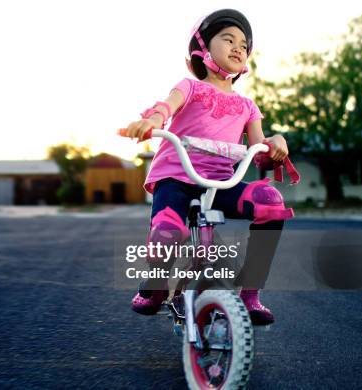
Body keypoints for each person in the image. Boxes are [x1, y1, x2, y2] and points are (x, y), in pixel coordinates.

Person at [122, 9, 295, 325]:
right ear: (202, 49)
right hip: (177, 177)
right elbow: (166, 107)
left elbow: (260, 151)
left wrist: (275, 145)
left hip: (219, 184)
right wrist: (153, 120)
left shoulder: (247, 106)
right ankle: (157, 286)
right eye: (228, 39)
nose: (238, 47)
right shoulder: (189, 86)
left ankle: (250, 294)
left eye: (244, 44)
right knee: (166, 233)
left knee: (271, 203)